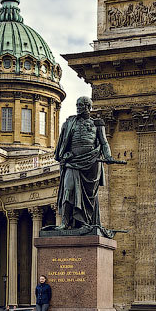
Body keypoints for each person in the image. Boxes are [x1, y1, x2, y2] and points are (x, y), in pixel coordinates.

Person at [54, 95, 126, 230]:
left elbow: (104, 142)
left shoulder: (97, 124)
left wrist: (108, 156)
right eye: (77, 106)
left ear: (88, 107)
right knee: (68, 190)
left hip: (91, 163)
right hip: (73, 162)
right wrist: (65, 154)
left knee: (89, 196)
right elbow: (62, 146)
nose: (77, 108)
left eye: (80, 106)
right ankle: (65, 222)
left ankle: (83, 222)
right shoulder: (69, 123)